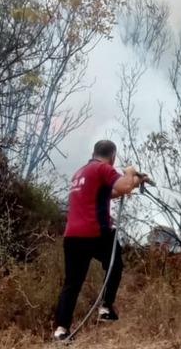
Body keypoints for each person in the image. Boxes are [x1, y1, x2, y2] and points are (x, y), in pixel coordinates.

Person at [52, 140, 147, 341]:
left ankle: (61, 330)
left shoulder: (80, 173)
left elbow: (108, 193)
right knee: (115, 265)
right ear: (112, 156)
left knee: (72, 283)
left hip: (72, 236)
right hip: (95, 232)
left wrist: (135, 183)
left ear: (94, 152)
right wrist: (130, 171)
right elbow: (124, 185)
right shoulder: (103, 168)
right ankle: (105, 308)